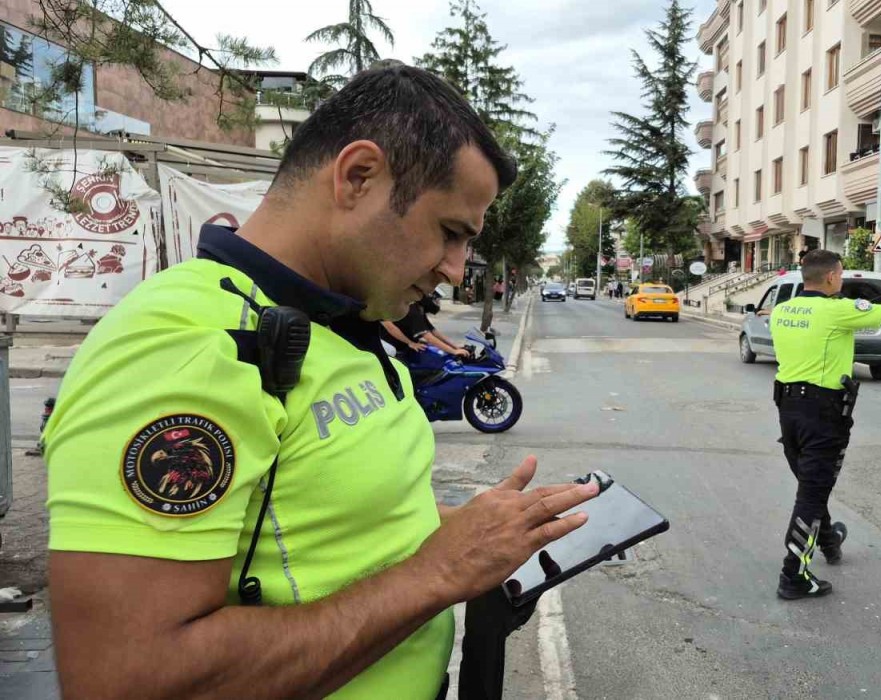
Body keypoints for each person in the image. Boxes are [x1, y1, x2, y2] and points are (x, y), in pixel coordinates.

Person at [40, 64, 600, 700]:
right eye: (450, 233)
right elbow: (126, 680)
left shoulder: (346, 318)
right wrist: (441, 571)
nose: (453, 270)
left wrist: (481, 531)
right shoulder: (182, 345)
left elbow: (329, 526)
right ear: (358, 176)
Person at [769, 250, 881, 599]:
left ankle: (828, 541)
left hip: (788, 409)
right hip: (823, 413)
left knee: (812, 483)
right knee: (811, 492)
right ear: (830, 278)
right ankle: (792, 575)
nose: (840, 280)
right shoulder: (836, 310)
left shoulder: (783, 310)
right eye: (840, 275)